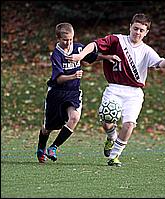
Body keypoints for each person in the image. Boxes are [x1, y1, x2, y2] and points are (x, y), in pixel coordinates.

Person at [66, 13, 165, 167]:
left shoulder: (146, 50)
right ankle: (111, 136)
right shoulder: (117, 40)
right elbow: (94, 45)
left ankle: (114, 156)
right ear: (130, 27)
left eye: (141, 30)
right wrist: (80, 55)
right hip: (114, 89)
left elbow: (160, 64)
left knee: (129, 124)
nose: (137, 33)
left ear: (146, 32)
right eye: (135, 29)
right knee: (107, 120)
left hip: (134, 93)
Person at [36, 22, 115, 163]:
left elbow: (91, 57)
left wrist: (106, 57)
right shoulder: (56, 55)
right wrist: (73, 76)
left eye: (71, 39)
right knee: (48, 127)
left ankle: (53, 147)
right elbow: (59, 79)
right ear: (58, 38)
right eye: (65, 40)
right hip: (56, 93)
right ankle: (41, 147)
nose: (68, 42)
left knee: (74, 118)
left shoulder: (78, 48)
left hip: (73, 92)